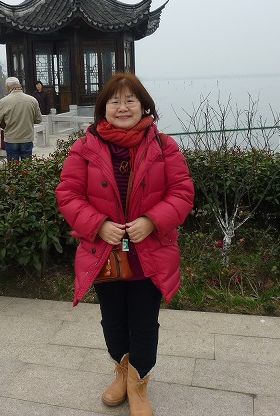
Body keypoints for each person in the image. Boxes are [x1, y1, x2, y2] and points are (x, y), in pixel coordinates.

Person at [56, 73, 194, 415]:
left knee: (144, 323)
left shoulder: (164, 146)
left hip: (149, 255)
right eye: (114, 101)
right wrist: (98, 225)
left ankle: (138, 382)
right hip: (104, 253)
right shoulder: (85, 148)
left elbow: (182, 192)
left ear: (143, 105)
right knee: (113, 321)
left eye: (130, 100)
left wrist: (152, 221)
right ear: (103, 108)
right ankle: (121, 371)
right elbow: (68, 194)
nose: (122, 107)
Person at [0, 77, 42, 161]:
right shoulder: (32, 100)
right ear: (19, 85)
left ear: (8, 87)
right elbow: (38, 119)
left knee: (13, 166)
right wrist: (27, 120)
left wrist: (5, 124)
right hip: (27, 138)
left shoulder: (3, 102)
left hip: (11, 139)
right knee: (27, 166)